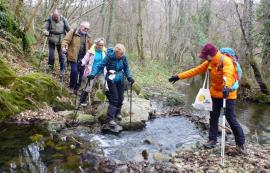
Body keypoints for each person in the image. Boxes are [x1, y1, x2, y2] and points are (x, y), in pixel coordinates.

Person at [168, 43, 246, 155]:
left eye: (205, 56)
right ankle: (212, 140)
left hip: (228, 95)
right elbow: (196, 70)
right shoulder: (210, 62)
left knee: (230, 118)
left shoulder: (226, 61)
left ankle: (241, 144)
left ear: (210, 54)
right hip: (215, 94)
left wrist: (227, 87)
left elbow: (228, 75)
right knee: (213, 118)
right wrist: (179, 76)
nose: (204, 58)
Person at [87, 44, 134, 129]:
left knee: (121, 98)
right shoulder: (109, 57)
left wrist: (129, 77)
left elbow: (126, 68)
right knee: (114, 98)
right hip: (111, 79)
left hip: (120, 78)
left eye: (123, 53)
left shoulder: (123, 57)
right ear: (116, 52)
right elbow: (100, 65)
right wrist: (93, 74)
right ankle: (110, 119)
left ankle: (117, 113)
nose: (122, 55)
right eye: (120, 54)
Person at [61, 21, 93, 94]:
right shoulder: (73, 32)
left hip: (84, 58)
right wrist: (64, 47)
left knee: (81, 73)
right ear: (81, 26)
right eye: (85, 28)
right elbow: (65, 41)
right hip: (73, 56)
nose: (86, 30)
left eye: (88, 29)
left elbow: (91, 47)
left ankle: (77, 88)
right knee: (74, 71)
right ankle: (71, 87)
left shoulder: (88, 36)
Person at [79, 38, 108, 106]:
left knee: (105, 85)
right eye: (100, 45)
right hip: (92, 72)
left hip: (101, 72)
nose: (101, 46)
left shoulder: (105, 52)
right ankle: (82, 101)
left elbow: (108, 61)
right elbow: (85, 60)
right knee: (88, 87)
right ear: (96, 44)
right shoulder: (91, 52)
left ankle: (110, 100)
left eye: (102, 45)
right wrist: (81, 62)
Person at [43, 9, 71, 74]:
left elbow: (69, 29)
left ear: (59, 15)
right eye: (54, 16)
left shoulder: (63, 19)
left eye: (56, 16)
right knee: (51, 56)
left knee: (61, 56)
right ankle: (50, 68)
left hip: (61, 40)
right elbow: (44, 28)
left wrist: (72, 34)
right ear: (52, 15)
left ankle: (62, 69)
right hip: (51, 40)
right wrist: (45, 31)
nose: (55, 18)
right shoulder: (49, 19)